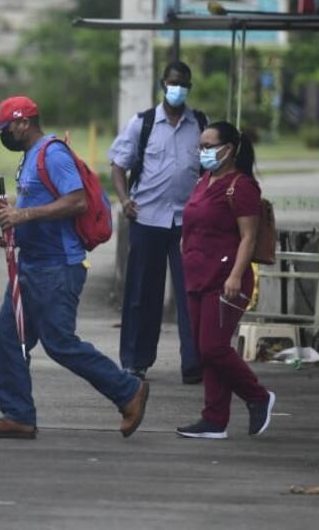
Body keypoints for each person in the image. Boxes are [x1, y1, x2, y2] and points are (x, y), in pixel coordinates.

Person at [0, 95, 150, 440]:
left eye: (5, 129)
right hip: (32, 264)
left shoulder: (52, 153)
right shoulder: (30, 158)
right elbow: (41, 206)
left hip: (56, 268)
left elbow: (76, 201)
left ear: (23, 123)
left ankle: (128, 390)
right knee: (7, 338)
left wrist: (22, 215)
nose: (3, 136)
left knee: (60, 342)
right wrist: (16, 233)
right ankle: (18, 415)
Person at [175, 120, 275, 440]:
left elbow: (248, 237)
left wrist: (235, 275)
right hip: (196, 276)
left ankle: (257, 396)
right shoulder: (203, 181)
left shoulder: (241, 186)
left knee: (214, 348)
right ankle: (214, 419)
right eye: (200, 146)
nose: (202, 152)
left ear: (228, 149)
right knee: (206, 351)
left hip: (225, 280)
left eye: (208, 146)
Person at [108, 61, 204, 384]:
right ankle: (135, 361)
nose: (178, 89)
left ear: (190, 87)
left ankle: (193, 363)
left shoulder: (200, 125)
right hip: (147, 219)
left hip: (187, 222)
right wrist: (124, 201)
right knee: (142, 294)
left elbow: (212, 171)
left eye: (184, 84)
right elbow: (118, 166)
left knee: (191, 294)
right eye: (173, 83)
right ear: (164, 84)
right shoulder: (143, 123)